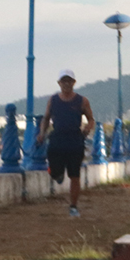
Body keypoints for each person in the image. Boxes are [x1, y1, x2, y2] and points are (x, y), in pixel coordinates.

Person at [36, 69, 94, 217]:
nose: (66, 84)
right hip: (57, 139)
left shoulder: (82, 101)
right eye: (64, 81)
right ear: (59, 83)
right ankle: (57, 174)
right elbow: (46, 118)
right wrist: (42, 133)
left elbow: (91, 119)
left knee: (75, 175)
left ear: (74, 83)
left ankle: (73, 206)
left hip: (75, 140)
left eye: (69, 81)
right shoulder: (53, 100)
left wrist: (87, 128)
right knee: (54, 170)